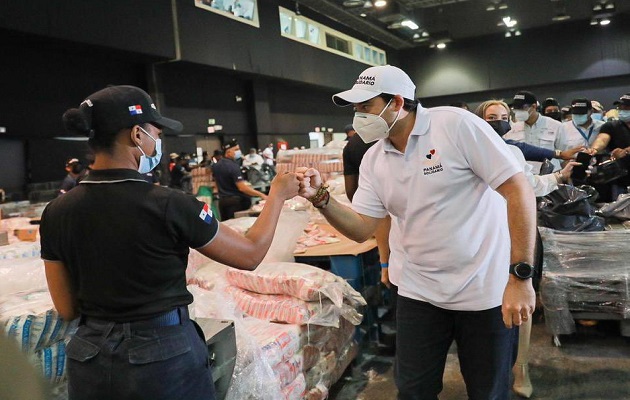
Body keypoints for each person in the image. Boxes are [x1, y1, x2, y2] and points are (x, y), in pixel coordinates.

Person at [39, 85, 299, 400]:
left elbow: (66, 308)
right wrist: (277, 195)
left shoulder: (56, 212)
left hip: (90, 357)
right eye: (156, 133)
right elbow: (250, 254)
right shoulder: (169, 203)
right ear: (137, 134)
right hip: (162, 357)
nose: (158, 142)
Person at [297, 65, 537, 400]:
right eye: (356, 109)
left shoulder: (455, 126)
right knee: (413, 390)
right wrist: (322, 200)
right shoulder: (373, 159)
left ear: (396, 102)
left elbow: (518, 191)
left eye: (365, 107)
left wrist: (520, 277)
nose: (358, 117)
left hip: (484, 291)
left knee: (489, 391)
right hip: (419, 293)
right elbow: (363, 226)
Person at [476, 99, 580, 398]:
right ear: (478, 120)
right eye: (492, 116)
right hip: (482, 238)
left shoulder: (513, 151)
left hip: (517, 233)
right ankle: (492, 364)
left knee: (522, 298)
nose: (500, 121)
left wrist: (560, 176)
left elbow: (530, 185)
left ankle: (521, 365)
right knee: (487, 303)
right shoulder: (462, 152)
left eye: (505, 117)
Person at [503, 90, 563, 174]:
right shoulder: (511, 129)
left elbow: (564, 156)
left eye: (522, 108)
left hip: (552, 176)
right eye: (516, 109)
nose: (518, 111)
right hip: (525, 176)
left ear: (534, 107)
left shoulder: (556, 126)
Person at [211, 139, 268, 220]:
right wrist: (261, 195)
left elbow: (216, 183)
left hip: (223, 202)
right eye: (236, 149)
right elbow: (242, 188)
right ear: (228, 152)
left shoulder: (216, 166)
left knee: (227, 227)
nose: (239, 152)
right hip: (236, 203)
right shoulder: (233, 166)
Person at [588, 93, 630, 200]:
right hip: (621, 179)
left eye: (626, 107)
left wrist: (627, 150)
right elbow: (602, 139)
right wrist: (594, 149)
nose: (622, 110)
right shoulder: (611, 126)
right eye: (620, 107)